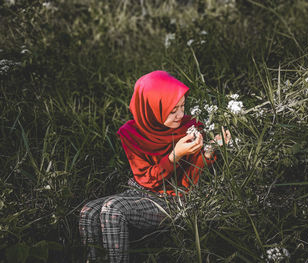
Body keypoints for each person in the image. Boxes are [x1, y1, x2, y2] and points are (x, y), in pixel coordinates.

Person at [79, 70, 231, 263]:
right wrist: (174, 156)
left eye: (182, 106)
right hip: (141, 190)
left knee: (112, 209)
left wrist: (211, 149)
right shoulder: (131, 133)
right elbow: (147, 178)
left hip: (174, 197)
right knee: (89, 211)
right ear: (151, 109)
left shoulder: (189, 127)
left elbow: (191, 177)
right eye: (172, 110)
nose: (180, 115)